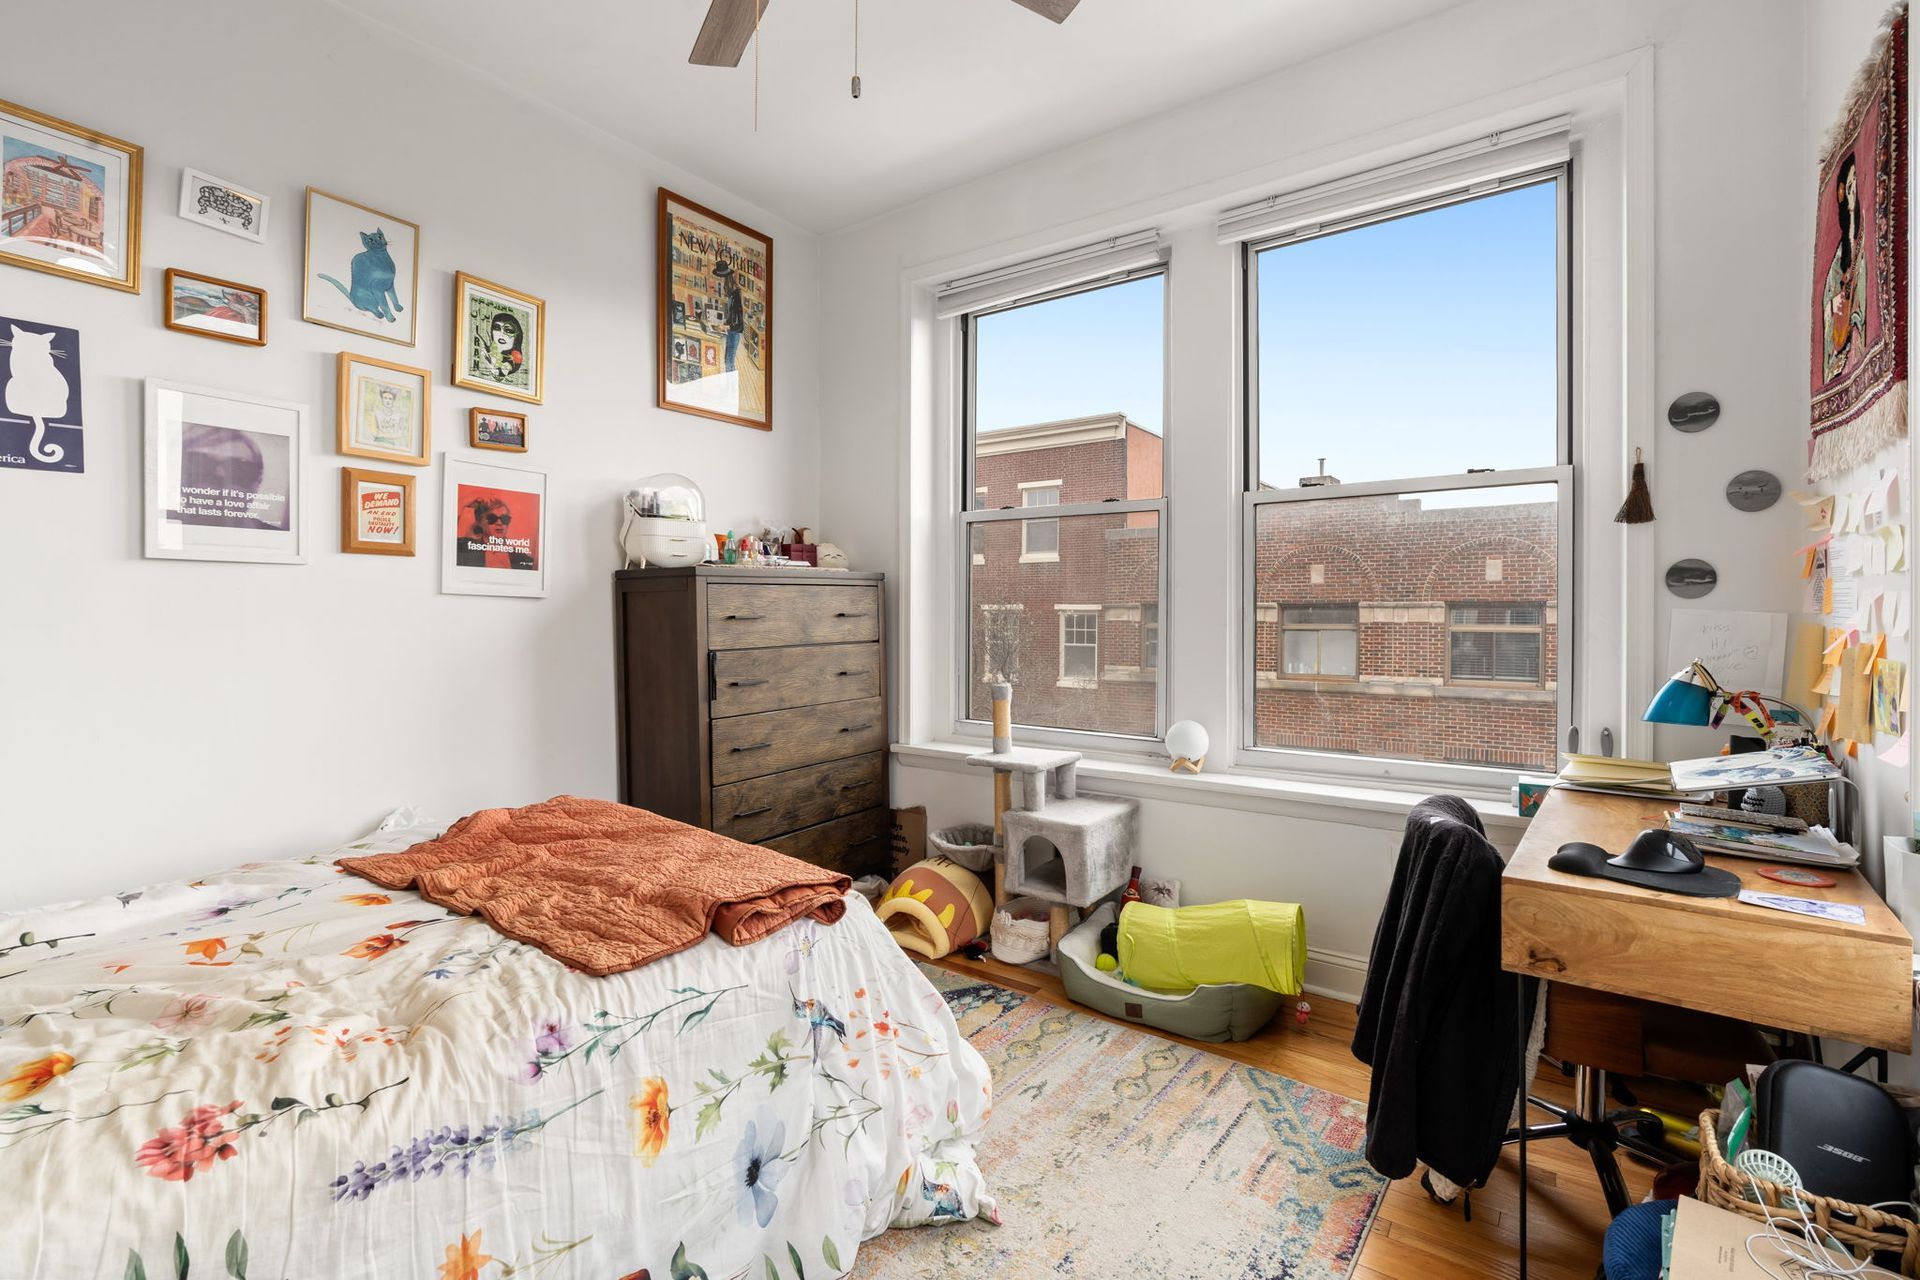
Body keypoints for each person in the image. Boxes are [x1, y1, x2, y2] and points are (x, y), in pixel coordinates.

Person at [1822, 152, 1867, 381]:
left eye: (1855, 184)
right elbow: (1829, 294)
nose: (1852, 190)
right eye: (1849, 185)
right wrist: (1836, 303)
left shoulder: (1863, 235)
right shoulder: (1842, 251)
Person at [456, 495, 535, 570]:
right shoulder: (466, 548)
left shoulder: (523, 558)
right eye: (492, 518)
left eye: (504, 518)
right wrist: (463, 503)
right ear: (479, 521)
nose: (500, 523)